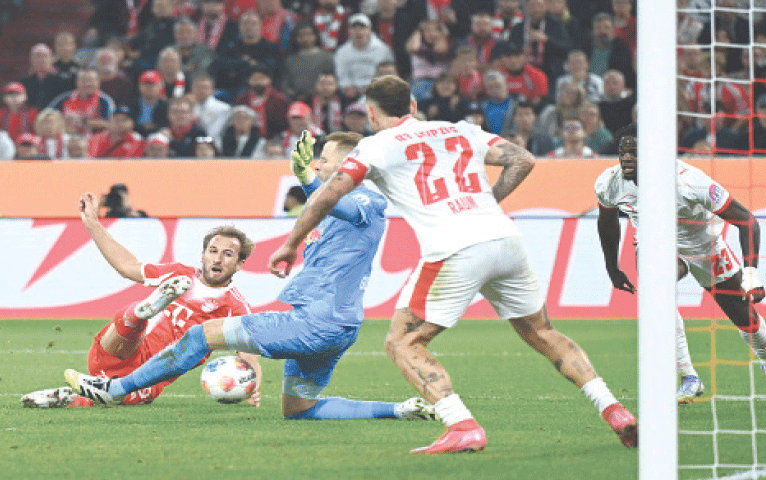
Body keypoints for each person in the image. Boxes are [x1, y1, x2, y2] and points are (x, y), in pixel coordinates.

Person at [265, 75, 638, 453]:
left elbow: (329, 195)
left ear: (373, 113)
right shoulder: (461, 130)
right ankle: (614, 410)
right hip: (503, 239)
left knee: (403, 341)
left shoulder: (376, 146)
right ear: (412, 107)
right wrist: (488, 202)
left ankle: (461, 425)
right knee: (544, 332)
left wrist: (291, 244)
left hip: (453, 248)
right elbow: (523, 160)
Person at [65, 130, 438, 423]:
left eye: (325, 160)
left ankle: (114, 390)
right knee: (299, 409)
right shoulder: (346, 205)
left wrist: (306, 180)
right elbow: (326, 201)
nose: (319, 164)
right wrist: (309, 180)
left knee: (201, 335)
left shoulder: (368, 200)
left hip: (315, 322)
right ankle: (400, 409)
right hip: (337, 328)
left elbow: (330, 200)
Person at [596, 123, 766, 405]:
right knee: (658, 288)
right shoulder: (610, 182)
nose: (626, 158)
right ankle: (689, 376)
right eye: (623, 152)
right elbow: (607, 225)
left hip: (705, 246)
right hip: (656, 246)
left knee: (745, 318)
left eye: (634, 152)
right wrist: (612, 268)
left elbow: (747, 221)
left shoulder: (689, 180)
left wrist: (751, 274)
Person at [23, 215, 257, 407]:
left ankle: (69, 398)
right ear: (203, 255)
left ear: (238, 264)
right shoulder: (180, 274)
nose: (218, 258)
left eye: (228, 254)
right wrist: (93, 224)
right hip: (126, 348)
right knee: (133, 320)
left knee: (115, 397)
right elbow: (127, 267)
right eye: (213, 251)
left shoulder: (235, 307)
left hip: (151, 378)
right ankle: (141, 313)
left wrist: (252, 384)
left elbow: (247, 354)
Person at [334, 13, 394, 103]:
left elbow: (389, 74)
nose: (358, 32)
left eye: (362, 28)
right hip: (351, 93)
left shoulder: (383, 49)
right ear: (349, 31)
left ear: (370, 29)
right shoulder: (342, 52)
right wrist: (347, 86)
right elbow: (341, 74)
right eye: (354, 28)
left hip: (377, 90)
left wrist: (372, 87)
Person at [48, 69, 115, 135]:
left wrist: (81, 121)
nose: (87, 84)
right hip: (66, 138)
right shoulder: (65, 98)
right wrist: (63, 120)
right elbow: (47, 115)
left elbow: (109, 124)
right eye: (83, 80)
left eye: (91, 80)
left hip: (94, 141)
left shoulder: (105, 101)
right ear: (77, 82)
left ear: (98, 82)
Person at [19, 43, 73, 111]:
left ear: (52, 59)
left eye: (44, 56)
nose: (41, 60)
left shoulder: (65, 82)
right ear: (31, 60)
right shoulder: (23, 84)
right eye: (37, 56)